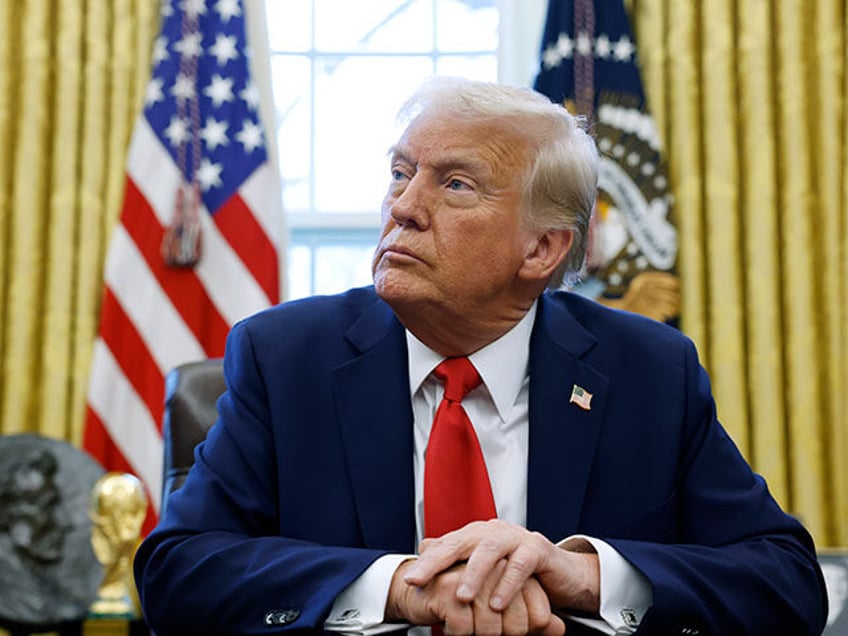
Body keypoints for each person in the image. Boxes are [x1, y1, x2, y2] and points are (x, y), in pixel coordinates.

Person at [134, 77, 827, 635]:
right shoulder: (286, 357)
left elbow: (786, 581)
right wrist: (399, 587)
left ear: (542, 249)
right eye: (401, 173)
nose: (403, 206)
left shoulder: (648, 371)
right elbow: (179, 571)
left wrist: (581, 575)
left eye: (455, 185)